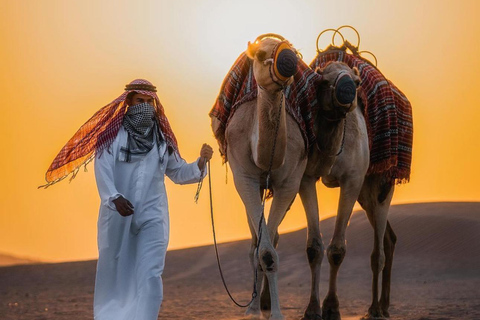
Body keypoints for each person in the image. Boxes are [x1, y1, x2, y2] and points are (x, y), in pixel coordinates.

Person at [42, 79, 213, 319]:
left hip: (153, 214)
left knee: (151, 272)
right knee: (115, 268)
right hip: (118, 213)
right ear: (128, 104)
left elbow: (178, 172)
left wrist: (201, 163)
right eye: (139, 101)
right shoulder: (112, 136)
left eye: (149, 102)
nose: (145, 107)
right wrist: (113, 197)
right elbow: (103, 170)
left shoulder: (162, 139)